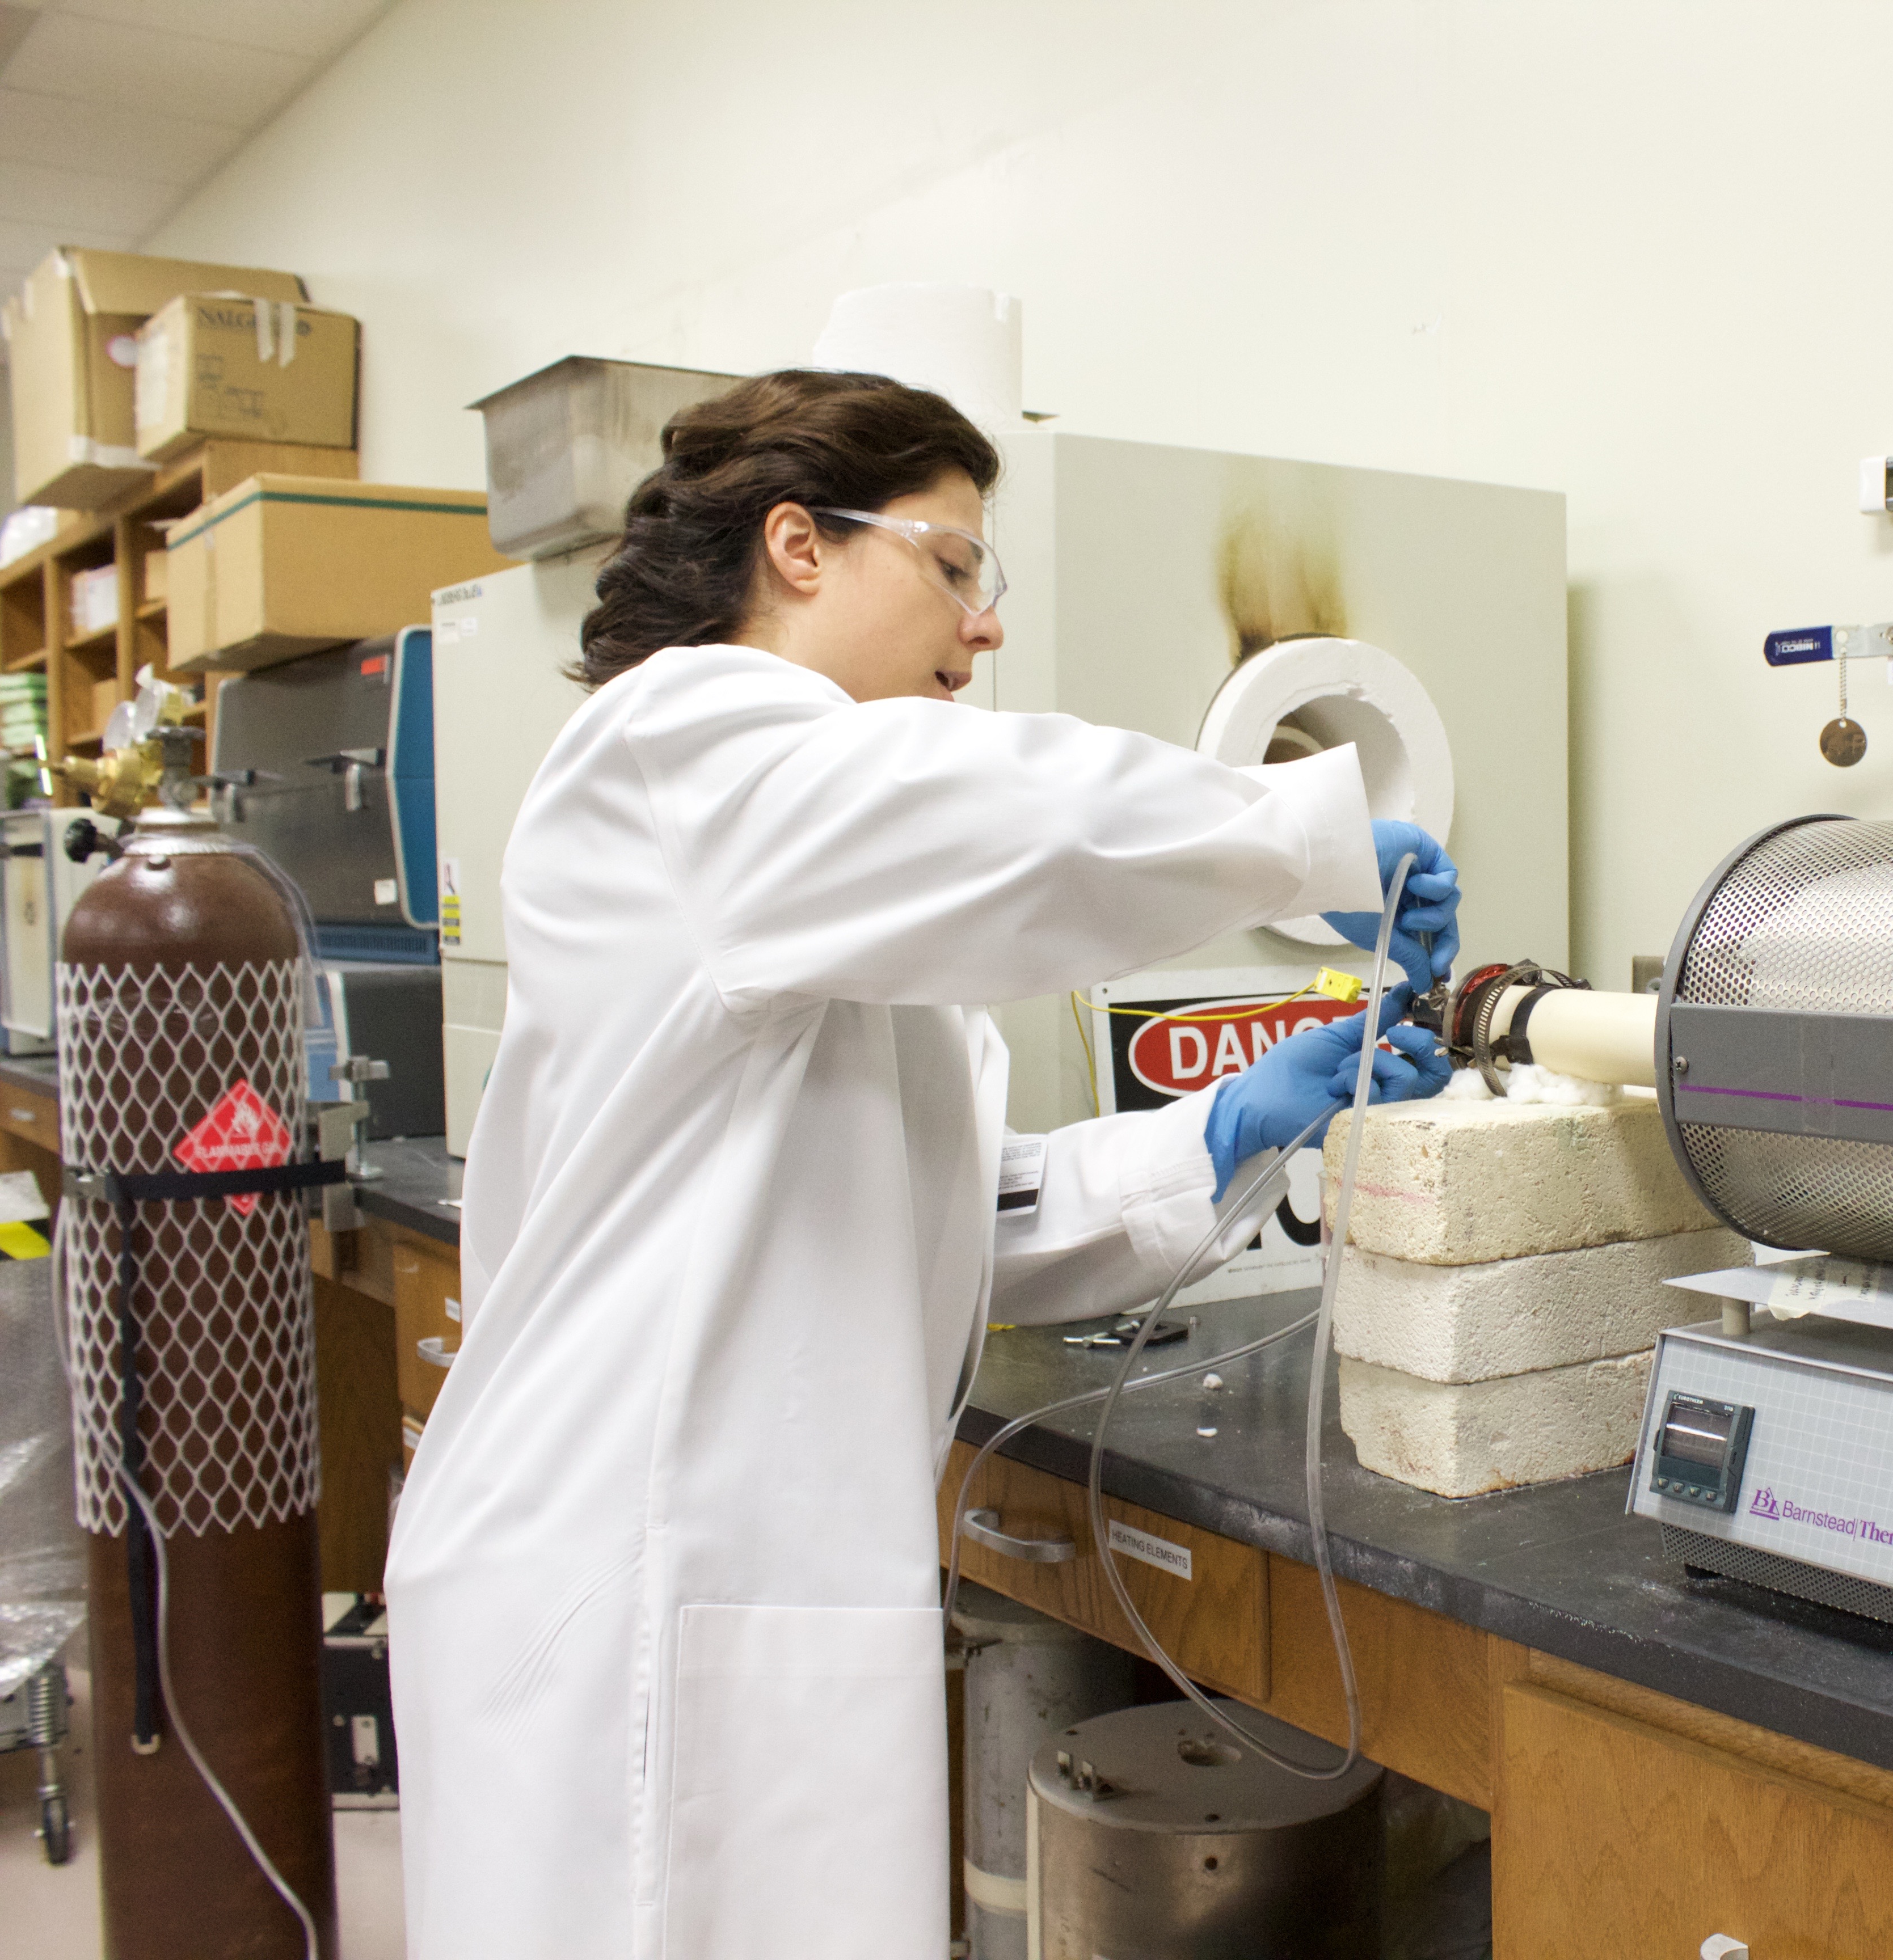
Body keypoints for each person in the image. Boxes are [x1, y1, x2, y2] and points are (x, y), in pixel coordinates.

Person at [383, 370, 1457, 1959]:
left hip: (727, 1569)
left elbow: (934, 1218)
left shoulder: (812, 861)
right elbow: (995, 814)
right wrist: (1298, 830)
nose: (986, 620)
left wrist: (1227, 1127)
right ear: (800, 547)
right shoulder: (687, 743)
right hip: (626, 1577)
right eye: (955, 566)